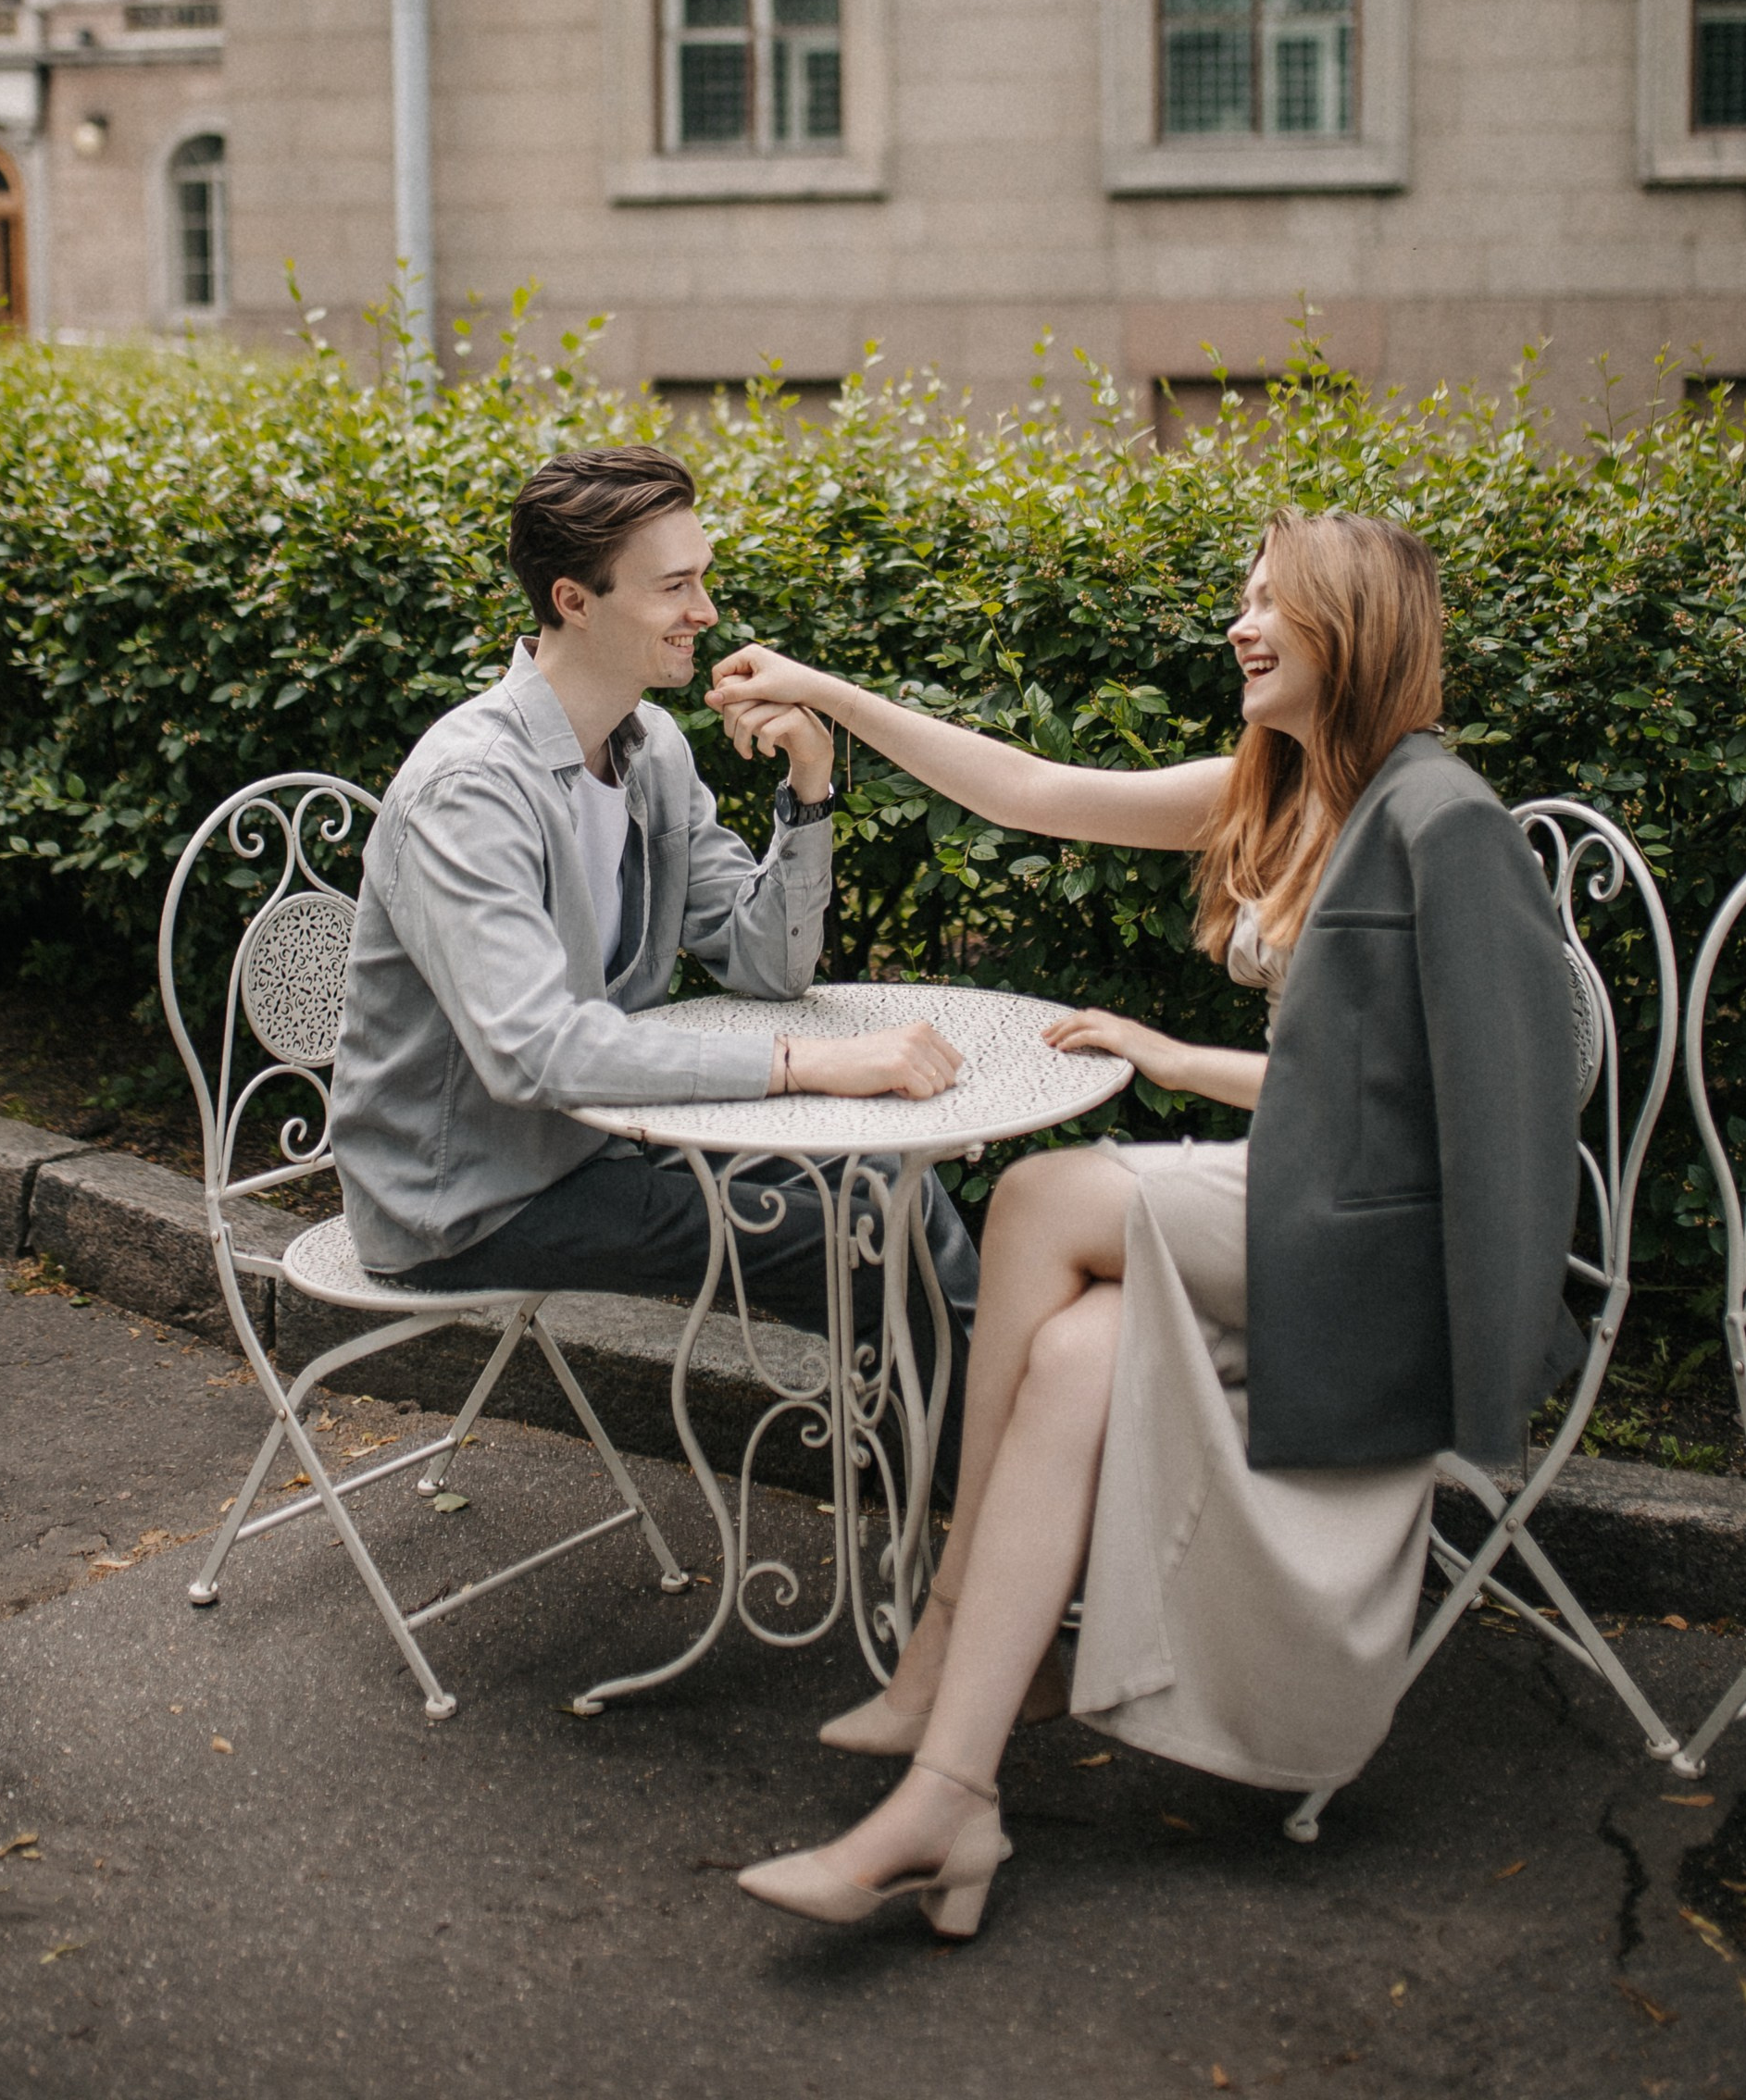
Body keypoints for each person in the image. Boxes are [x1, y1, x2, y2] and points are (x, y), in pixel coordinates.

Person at [705, 509, 1580, 1941]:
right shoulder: (1282, 793)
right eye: (1243, 598)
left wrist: (1176, 1060)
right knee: (1072, 1356)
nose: (1241, 624)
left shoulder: (1445, 820)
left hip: (1385, 1247)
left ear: (1354, 625)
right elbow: (1030, 789)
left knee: (1043, 1191)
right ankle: (951, 1797)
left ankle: (942, 1628)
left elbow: (1483, 1104)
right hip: (1313, 1193)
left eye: (1272, 602)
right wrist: (828, 693)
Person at [328, 444, 979, 1453]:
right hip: (468, 1199)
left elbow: (765, 964)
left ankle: (988, 1485)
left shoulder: (650, 749)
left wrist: (810, 784)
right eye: (674, 586)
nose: (706, 611)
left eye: (701, 578)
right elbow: (535, 1049)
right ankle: (987, 1506)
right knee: (858, 1235)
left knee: (892, 1182)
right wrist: (808, 1063)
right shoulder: (471, 788)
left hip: (600, 1139)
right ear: (573, 601)